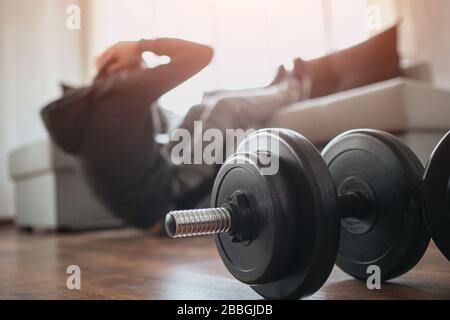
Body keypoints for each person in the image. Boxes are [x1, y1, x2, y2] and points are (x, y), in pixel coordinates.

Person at [42, 25, 401, 233]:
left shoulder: (88, 105)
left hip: (144, 205)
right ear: (121, 70)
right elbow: (202, 54)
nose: (145, 70)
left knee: (206, 101)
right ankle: (292, 89)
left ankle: (272, 88)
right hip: (165, 206)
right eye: (140, 65)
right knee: (225, 108)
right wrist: (139, 45)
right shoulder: (123, 91)